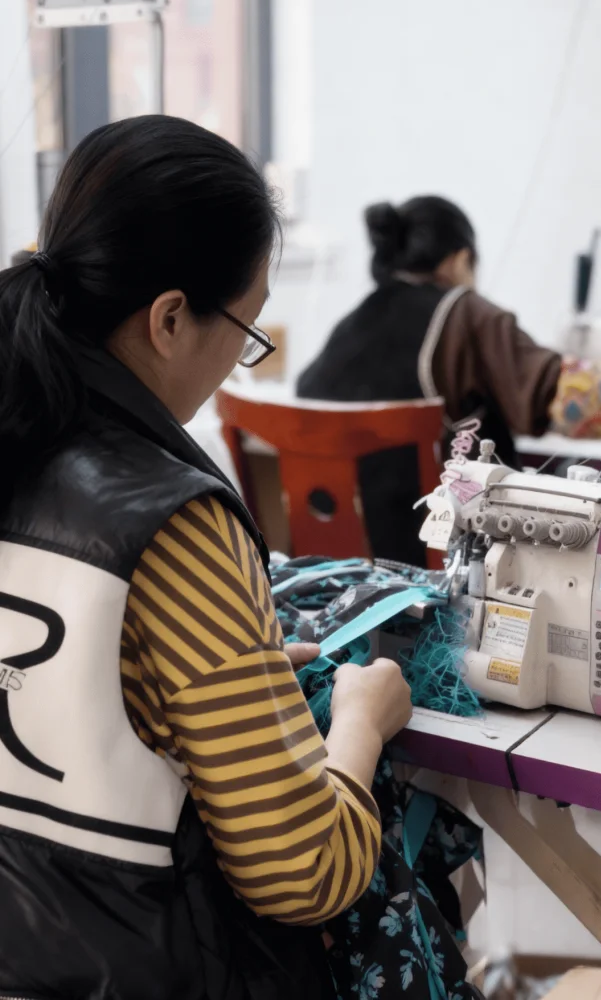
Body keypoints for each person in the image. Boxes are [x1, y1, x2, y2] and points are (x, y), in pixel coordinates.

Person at [0, 115, 414, 1000]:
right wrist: (361, 725)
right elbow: (304, 869)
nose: (239, 360)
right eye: (249, 326)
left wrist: (226, 679)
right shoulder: (174, 525)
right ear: (170, 318)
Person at [297, 196, 601, 566]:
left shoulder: (347, 328)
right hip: (438, 564)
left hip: (336, 573)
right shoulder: (464, 315)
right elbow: (566, 397)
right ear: (460, 260)